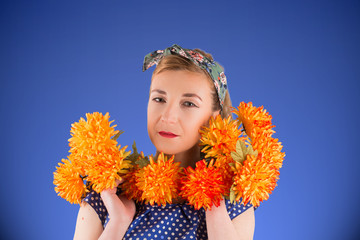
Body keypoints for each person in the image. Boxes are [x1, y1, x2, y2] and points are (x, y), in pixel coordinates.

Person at [73, 44, 255, 240]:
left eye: (189, 103)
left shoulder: (233, 202)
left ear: (214, 119)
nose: (168, 117)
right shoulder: (106, 194)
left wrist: (214, 206)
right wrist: (118, 221)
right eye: (159, 99)